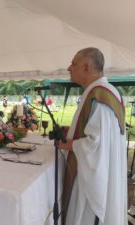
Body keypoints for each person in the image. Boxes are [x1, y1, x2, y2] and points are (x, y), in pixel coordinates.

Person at [59, 47, 127, 225]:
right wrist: (72, 130)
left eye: (74, 63)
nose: (69, 68)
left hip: (92, 181)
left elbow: (95, 144)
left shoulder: (99, 95)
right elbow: (98, 132)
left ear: (86, 68)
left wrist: (68, 144)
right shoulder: (103, 91)